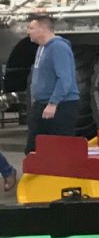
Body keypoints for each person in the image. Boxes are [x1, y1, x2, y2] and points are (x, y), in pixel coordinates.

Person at [23, 14, 78, 153]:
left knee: (59, 148)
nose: (28, 31)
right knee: (33, 148)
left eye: (31, 28)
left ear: (43, 29)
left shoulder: (58, 47)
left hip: (60, 106)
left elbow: (65, 78)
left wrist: (53, 103)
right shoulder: (41, 48)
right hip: (41, 104)